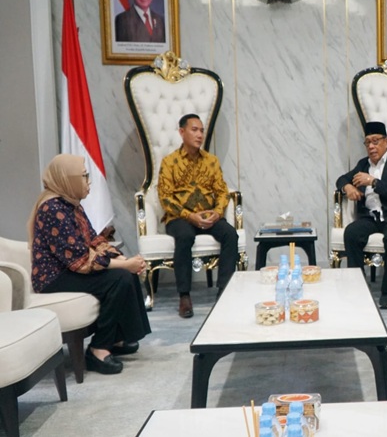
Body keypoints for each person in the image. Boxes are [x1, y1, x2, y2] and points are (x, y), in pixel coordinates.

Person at [28, 154, 151, 375]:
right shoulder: (52, 208)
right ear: (68, 179)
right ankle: (98, 349)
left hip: (70, 269)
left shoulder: (71, 203)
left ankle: (118, 337)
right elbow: (80, 259)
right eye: (84, 176)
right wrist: (124, 266)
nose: (89, 181)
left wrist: (123, 259)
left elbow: (94, 240)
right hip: (54, 278)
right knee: (120, 278)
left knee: (125, 270)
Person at [158, 114, 239, 318]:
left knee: (230, 234)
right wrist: (190, 216)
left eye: (202, 130)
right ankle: (184, 296)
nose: (200, 135)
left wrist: (217, 212)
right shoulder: (169, 162)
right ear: (182, 132)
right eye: (194, 130)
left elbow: (222, 192)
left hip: (208, 216)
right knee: (185, 236)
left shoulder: (211, 161)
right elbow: (165, 198)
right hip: (180, 218)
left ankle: (223, 291)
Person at [336, 121, 387, 309]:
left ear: (386, 142)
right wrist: (347, 187)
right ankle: (359, 288)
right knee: (351, 233)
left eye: (375, 141)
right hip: (371, 217)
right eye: (367, 143)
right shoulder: (362, 165)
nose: (371, 146)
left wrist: (373, 182)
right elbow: (341, 179)